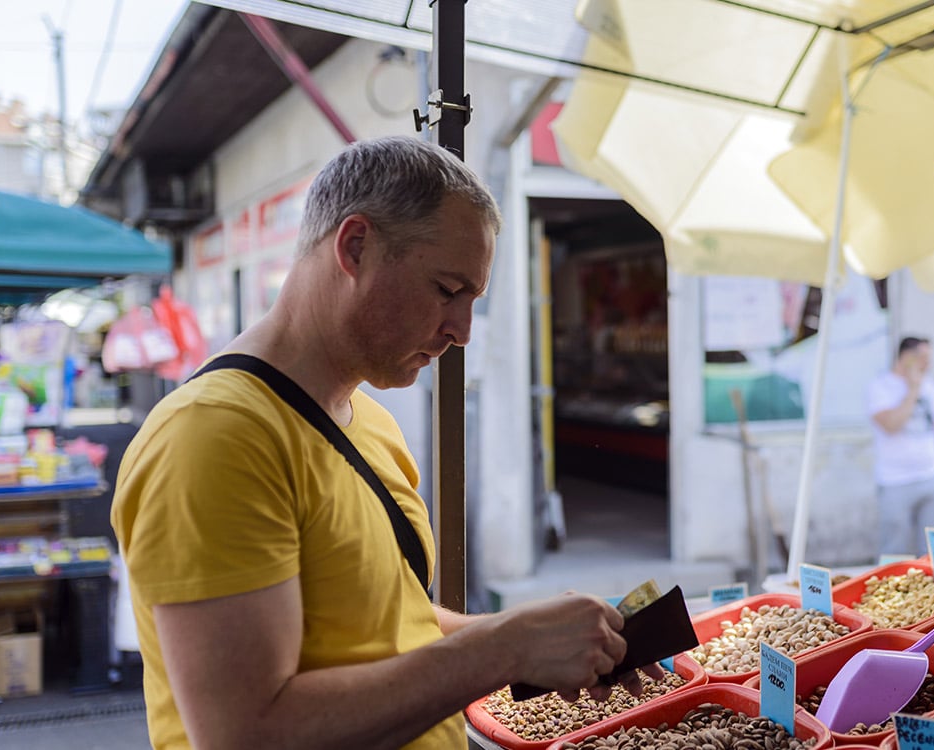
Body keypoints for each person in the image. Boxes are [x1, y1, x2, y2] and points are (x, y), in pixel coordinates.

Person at [111, 136, 657, 750]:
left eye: (472, 301)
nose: (461, 331)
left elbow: (394, 627)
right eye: (447, 290)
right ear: (356, 247)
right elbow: (247, 733)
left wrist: (534, 639)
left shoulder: (369, 421)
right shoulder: (213, 438)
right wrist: (505, 648)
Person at [866, 336, 934, 558]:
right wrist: (913, 390)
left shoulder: (930, 386)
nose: (927, 364)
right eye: (922, 357)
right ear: (905, 357)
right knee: (894, 547)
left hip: (932, 476)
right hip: (895, 481)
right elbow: (891, 425)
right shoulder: (880, 387)